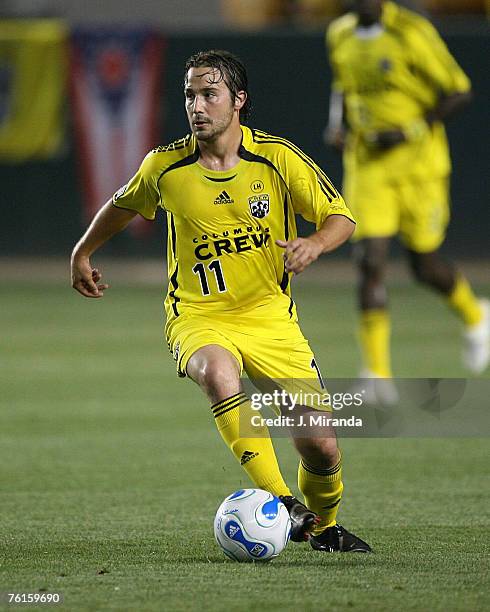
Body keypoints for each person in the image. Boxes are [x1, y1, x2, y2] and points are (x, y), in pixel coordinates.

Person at [71, 49, 372, 553]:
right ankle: (283, 502)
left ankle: (323, 528)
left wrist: (315, 243)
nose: (197, 105)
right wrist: (83, 251)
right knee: (216, 370)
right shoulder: (165, 167)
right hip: (197, 315)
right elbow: (123, 206)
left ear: (238, 100)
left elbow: (339, 215)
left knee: (321, 446)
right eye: (190, 94)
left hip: (270, 317)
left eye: (209, 94)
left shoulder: (277, 158)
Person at [325, 0, 489, 399]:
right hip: (367, 166)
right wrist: (336, 124)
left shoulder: (412, 32)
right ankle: (377, 375)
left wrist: (411, 130)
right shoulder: (339, 34)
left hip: (419, 168)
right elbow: (342, 85)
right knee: (369, 261)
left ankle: (476, 315)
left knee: (424, 265)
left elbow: (459, 90)